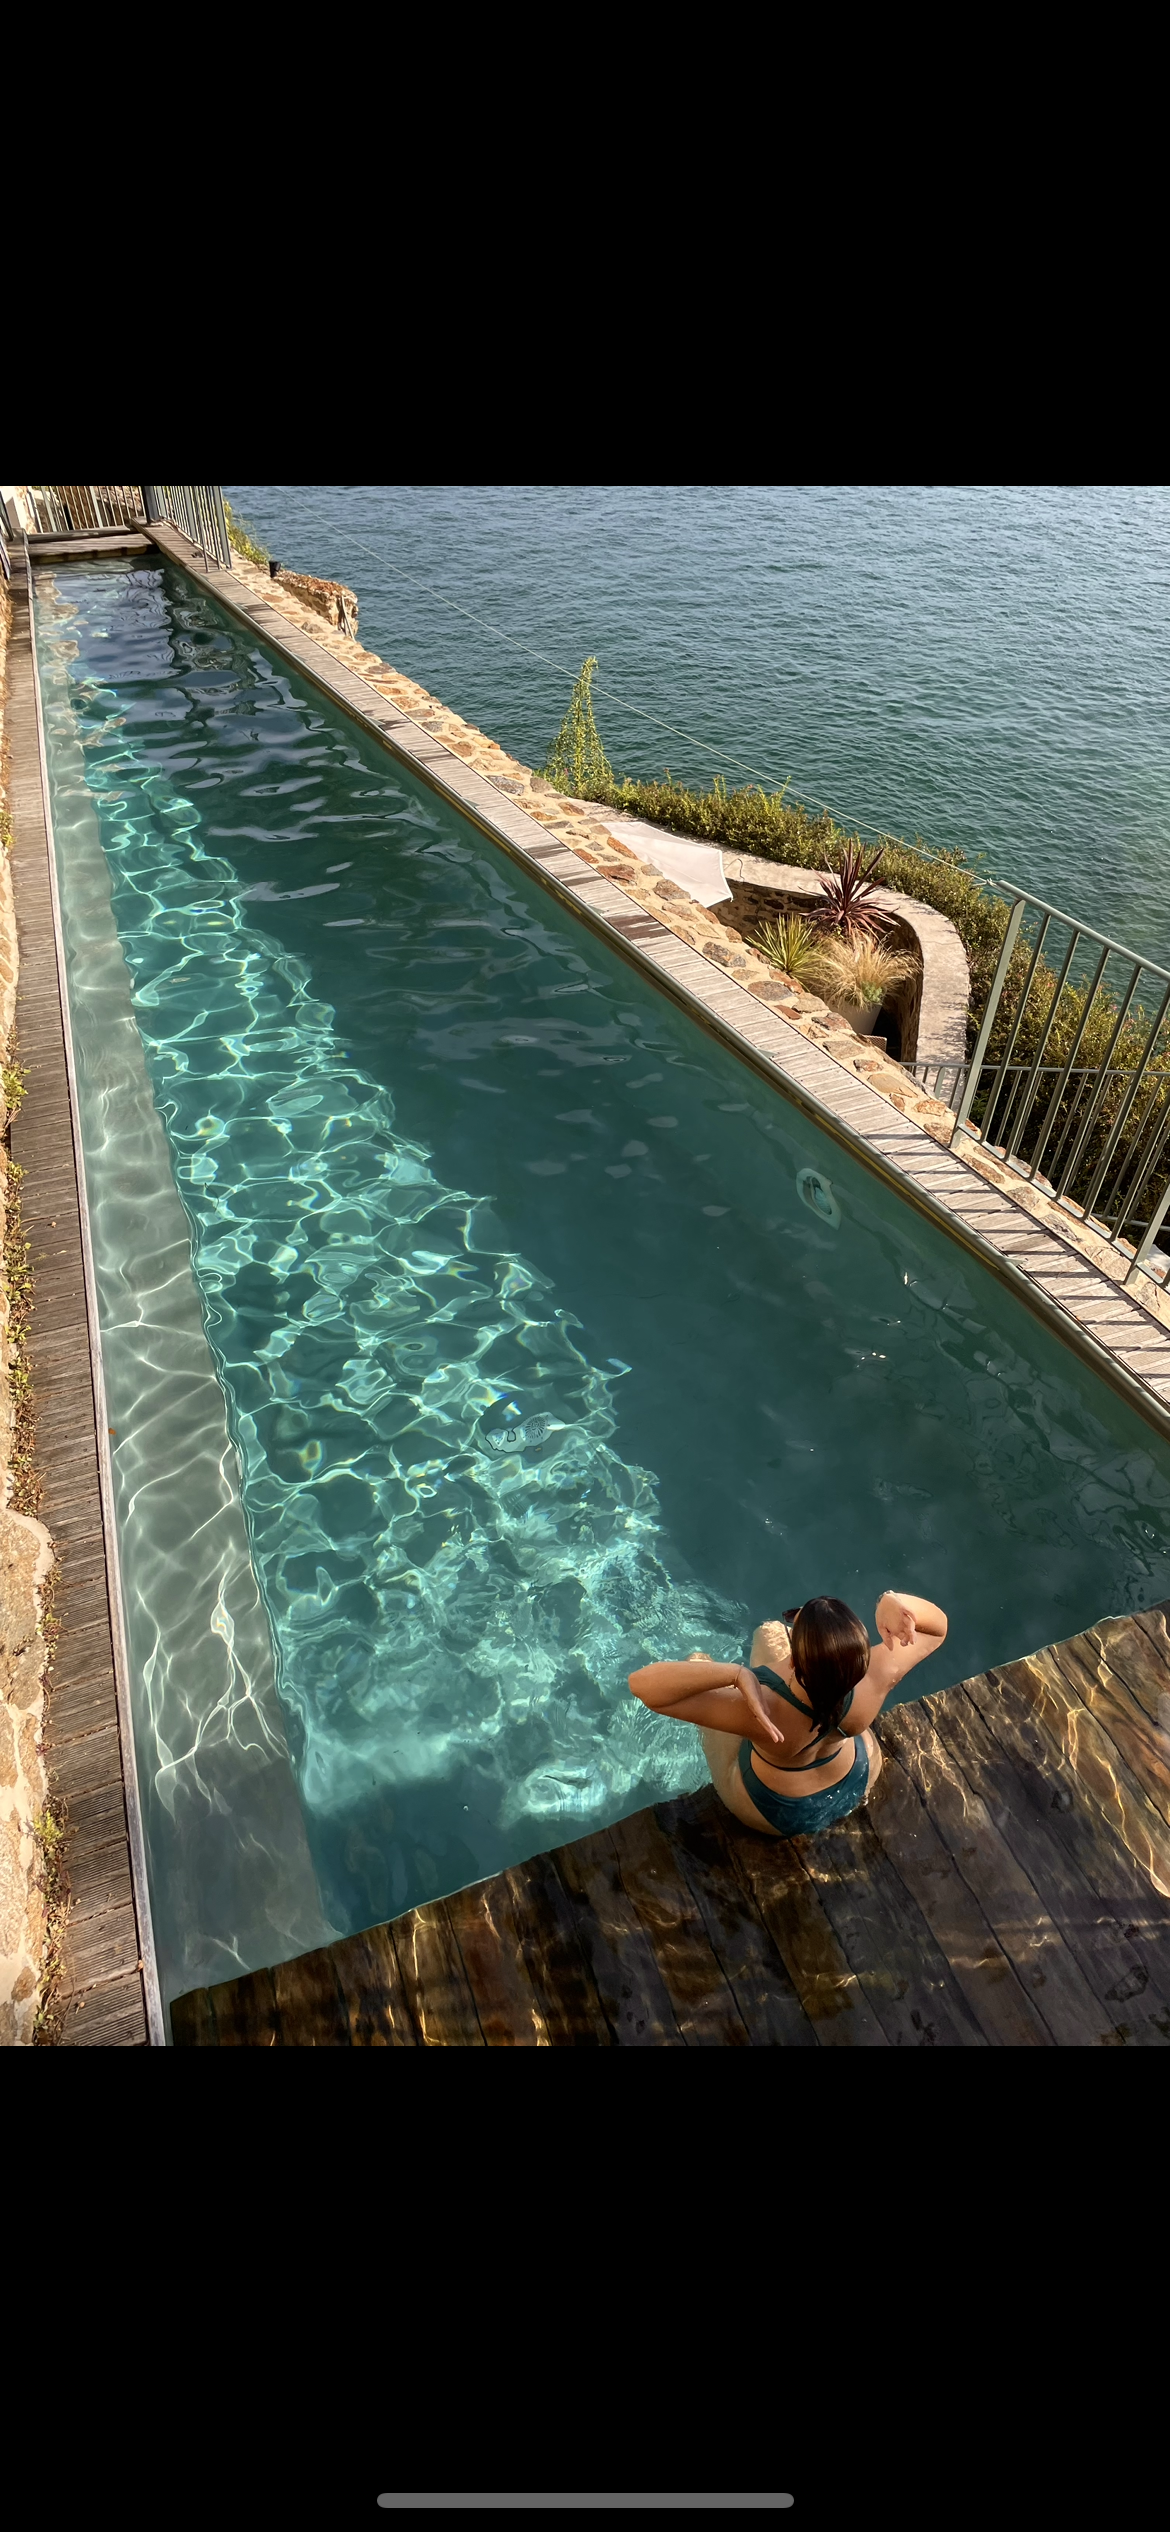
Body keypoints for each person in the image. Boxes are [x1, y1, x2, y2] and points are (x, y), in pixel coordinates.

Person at [628, 1591, 948, 1838]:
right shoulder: (876, 1673)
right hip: (857, 1779)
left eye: (793, 1624)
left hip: (779, 1814)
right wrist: (895, 1602)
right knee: (769, 1632)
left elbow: (643, 1686)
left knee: (698, 1661)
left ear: (795, 1661)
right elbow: (936, 1630)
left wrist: (735, 1674)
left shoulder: (759, 1709)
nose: (790, 1628)